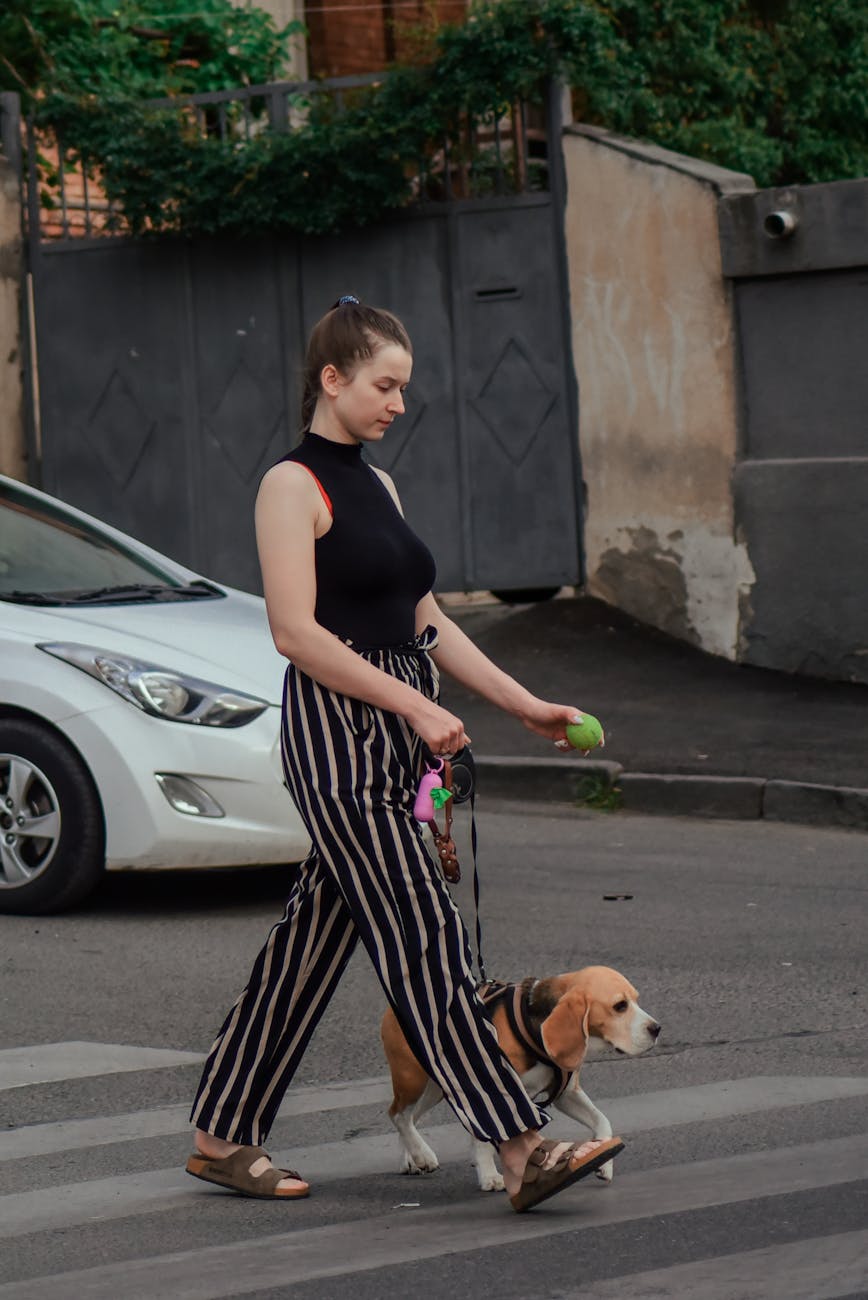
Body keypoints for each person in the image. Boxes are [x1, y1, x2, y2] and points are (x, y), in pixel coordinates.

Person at [186, 296, 623, 1211]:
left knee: (310, 943)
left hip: (403, 733)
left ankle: (222, 1132)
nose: (397, 403)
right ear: (332, 378)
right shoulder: (288, 487)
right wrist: (412, 712)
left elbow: (421, 622)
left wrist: (527, 705)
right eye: (384, 385)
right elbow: (295, 634)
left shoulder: (377, 488)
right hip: (339, 738)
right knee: (426, 936)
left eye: (404, 388)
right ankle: (519, 1143)